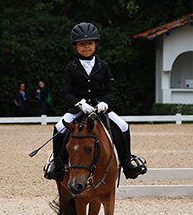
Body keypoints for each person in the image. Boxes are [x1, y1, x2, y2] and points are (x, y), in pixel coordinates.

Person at [43, 22, 147, 181]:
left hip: (100, 107)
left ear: (96, 44)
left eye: (90, 43)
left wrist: (105, 102)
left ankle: (127, 163)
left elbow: (112, 88)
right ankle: (57, 163)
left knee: (123, 125)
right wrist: (79, 104)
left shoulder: (103, 66)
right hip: (78, 109)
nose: (86, 47)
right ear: (75, 46)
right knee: (59, 126)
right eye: (82, 44)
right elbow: (65, 92)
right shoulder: (71, 67)